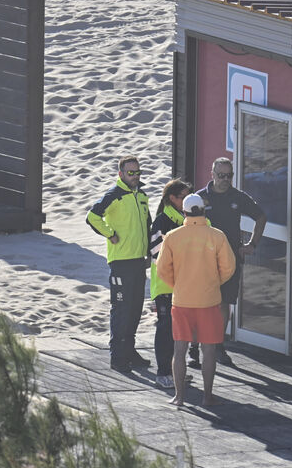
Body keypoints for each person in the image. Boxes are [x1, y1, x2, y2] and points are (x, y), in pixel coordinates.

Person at [157, 193, 236, 406]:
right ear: (203, 211)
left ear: (184, 212)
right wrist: (213, 282)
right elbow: (229, 267)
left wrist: (179, 285)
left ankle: (179, 397)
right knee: (208, 349)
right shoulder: (217, 236)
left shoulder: (173, 236)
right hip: (209, 300)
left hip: (182, 300)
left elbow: (162, 269)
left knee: (180, 349)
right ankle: (207, 396)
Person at [194, 157, 266, 367]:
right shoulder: (199, 198)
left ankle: (218, 344)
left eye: (229, 176)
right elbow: (186, 225)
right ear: (212, 174)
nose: (225, 180)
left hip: (230, 258)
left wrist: (252, 244)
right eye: (221, 175)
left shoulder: (238, 197)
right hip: (204, 260)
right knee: (201, 304)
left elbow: (261, 217)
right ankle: (194, 347)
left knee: (224, 303)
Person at [86, 155, 152, 372]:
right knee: (121, 309)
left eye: (137, 172)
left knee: (135, 308)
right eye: (130, 172)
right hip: (120, 263)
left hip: (139, 261)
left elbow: (148, 225)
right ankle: (117, 356)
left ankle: (130, 351)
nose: (135, 176)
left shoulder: (142, 196)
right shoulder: (114, 195)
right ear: (121, 174)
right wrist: (110, 233)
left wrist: (150, 253)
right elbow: (93, 217)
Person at [148, 178, 192, 389]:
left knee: (180, 331)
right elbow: (157, 256)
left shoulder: (188, 220)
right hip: (165, 286)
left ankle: (177, 371)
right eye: (184, 196)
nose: (188, 199)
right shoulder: (162, 221)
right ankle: (163, 372)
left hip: (184, 286)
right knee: (165, 329)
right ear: (172, 198)